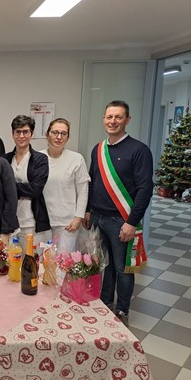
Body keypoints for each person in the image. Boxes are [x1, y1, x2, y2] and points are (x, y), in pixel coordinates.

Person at [83, 100, 153, 327]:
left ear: (127, 120)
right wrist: (87, 211)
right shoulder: (98, 149)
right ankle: (105, 302)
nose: (112, 121)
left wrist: (131, 222)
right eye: (109, 117)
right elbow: (92, 183)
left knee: (123, 269)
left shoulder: (139, 150)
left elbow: (145, 189)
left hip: (120, 220)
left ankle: (122, 309)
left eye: (118, 117)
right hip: (98, 217)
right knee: (105, 264)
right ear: (103, 119)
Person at [39, 118, 90, 252]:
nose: (59, 137)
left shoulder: (76, 159)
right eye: (55, 132)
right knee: (41, 263)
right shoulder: (37, 157)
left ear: (68, 137)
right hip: (41, 221)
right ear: (47, 134)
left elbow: (83, 190)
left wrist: (78, 217)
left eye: (63, 133)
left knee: (63, 264)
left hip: (67, 222)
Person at [2, 115, 51, 254]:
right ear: (12, 134)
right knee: (7, 265)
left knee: (30, 265)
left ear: (32, 134)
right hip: (9, 223)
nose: (21, 136)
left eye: (26, 132)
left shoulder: (40, 160)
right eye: (18, 132)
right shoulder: (4, 160)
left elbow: (35, 189)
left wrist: (10, 188)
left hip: (30, 223)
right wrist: (23, 187)